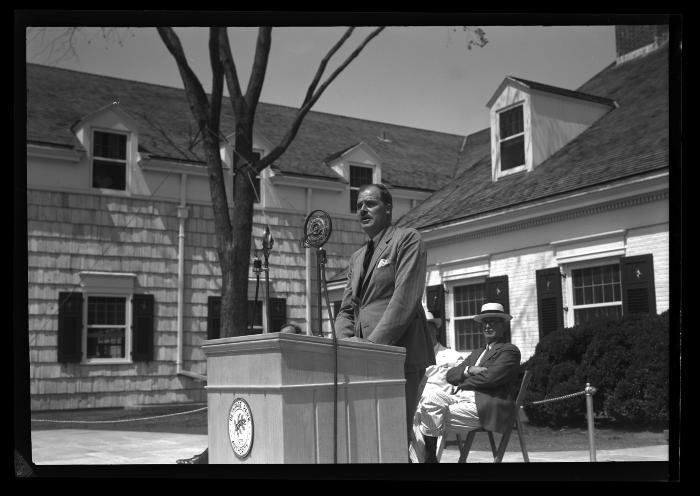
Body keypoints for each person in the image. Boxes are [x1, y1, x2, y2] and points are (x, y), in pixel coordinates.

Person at [334, 183, 435, 456]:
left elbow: (404, 300)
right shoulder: (356, 257)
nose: (362, 210)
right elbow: (346, 309)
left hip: (397, 356)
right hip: (359, 357)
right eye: (358, 206)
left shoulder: (407, 239)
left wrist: (372, 348)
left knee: (390, 437)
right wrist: (344, 345)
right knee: (362, 436)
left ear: (389, 208)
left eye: (370, 204)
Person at [176, 322, 305, 464]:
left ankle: (200, 460)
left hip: (282, 415)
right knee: (229, 432)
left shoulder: (301, 360)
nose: (284, 339)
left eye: (289, 335)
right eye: (282, 335)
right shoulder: (271, 357)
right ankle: (201, 460)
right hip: (260, 406)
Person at [417, 302, 521, 463]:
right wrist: (468, 370)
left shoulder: (509, 351)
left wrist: (463, 382)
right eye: (485, 322)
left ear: (504, 326)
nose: (488, 326)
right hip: (461, 400)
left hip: (486, 406)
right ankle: (430, 458)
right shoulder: (477, 353)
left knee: (422, 415)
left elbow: (491, 378)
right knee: (430, 397)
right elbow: (451, 376)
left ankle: (426, 460)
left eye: (493, 322)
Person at [409, 308, 465, 462]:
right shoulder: (412, 358)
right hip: (416, 406)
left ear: (436, 331)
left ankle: (425, 457)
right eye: (422, 329)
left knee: (419, 415)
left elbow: (461, 380)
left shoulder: (451, 355)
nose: (425, 333)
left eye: (428, 328)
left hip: (437, 406)